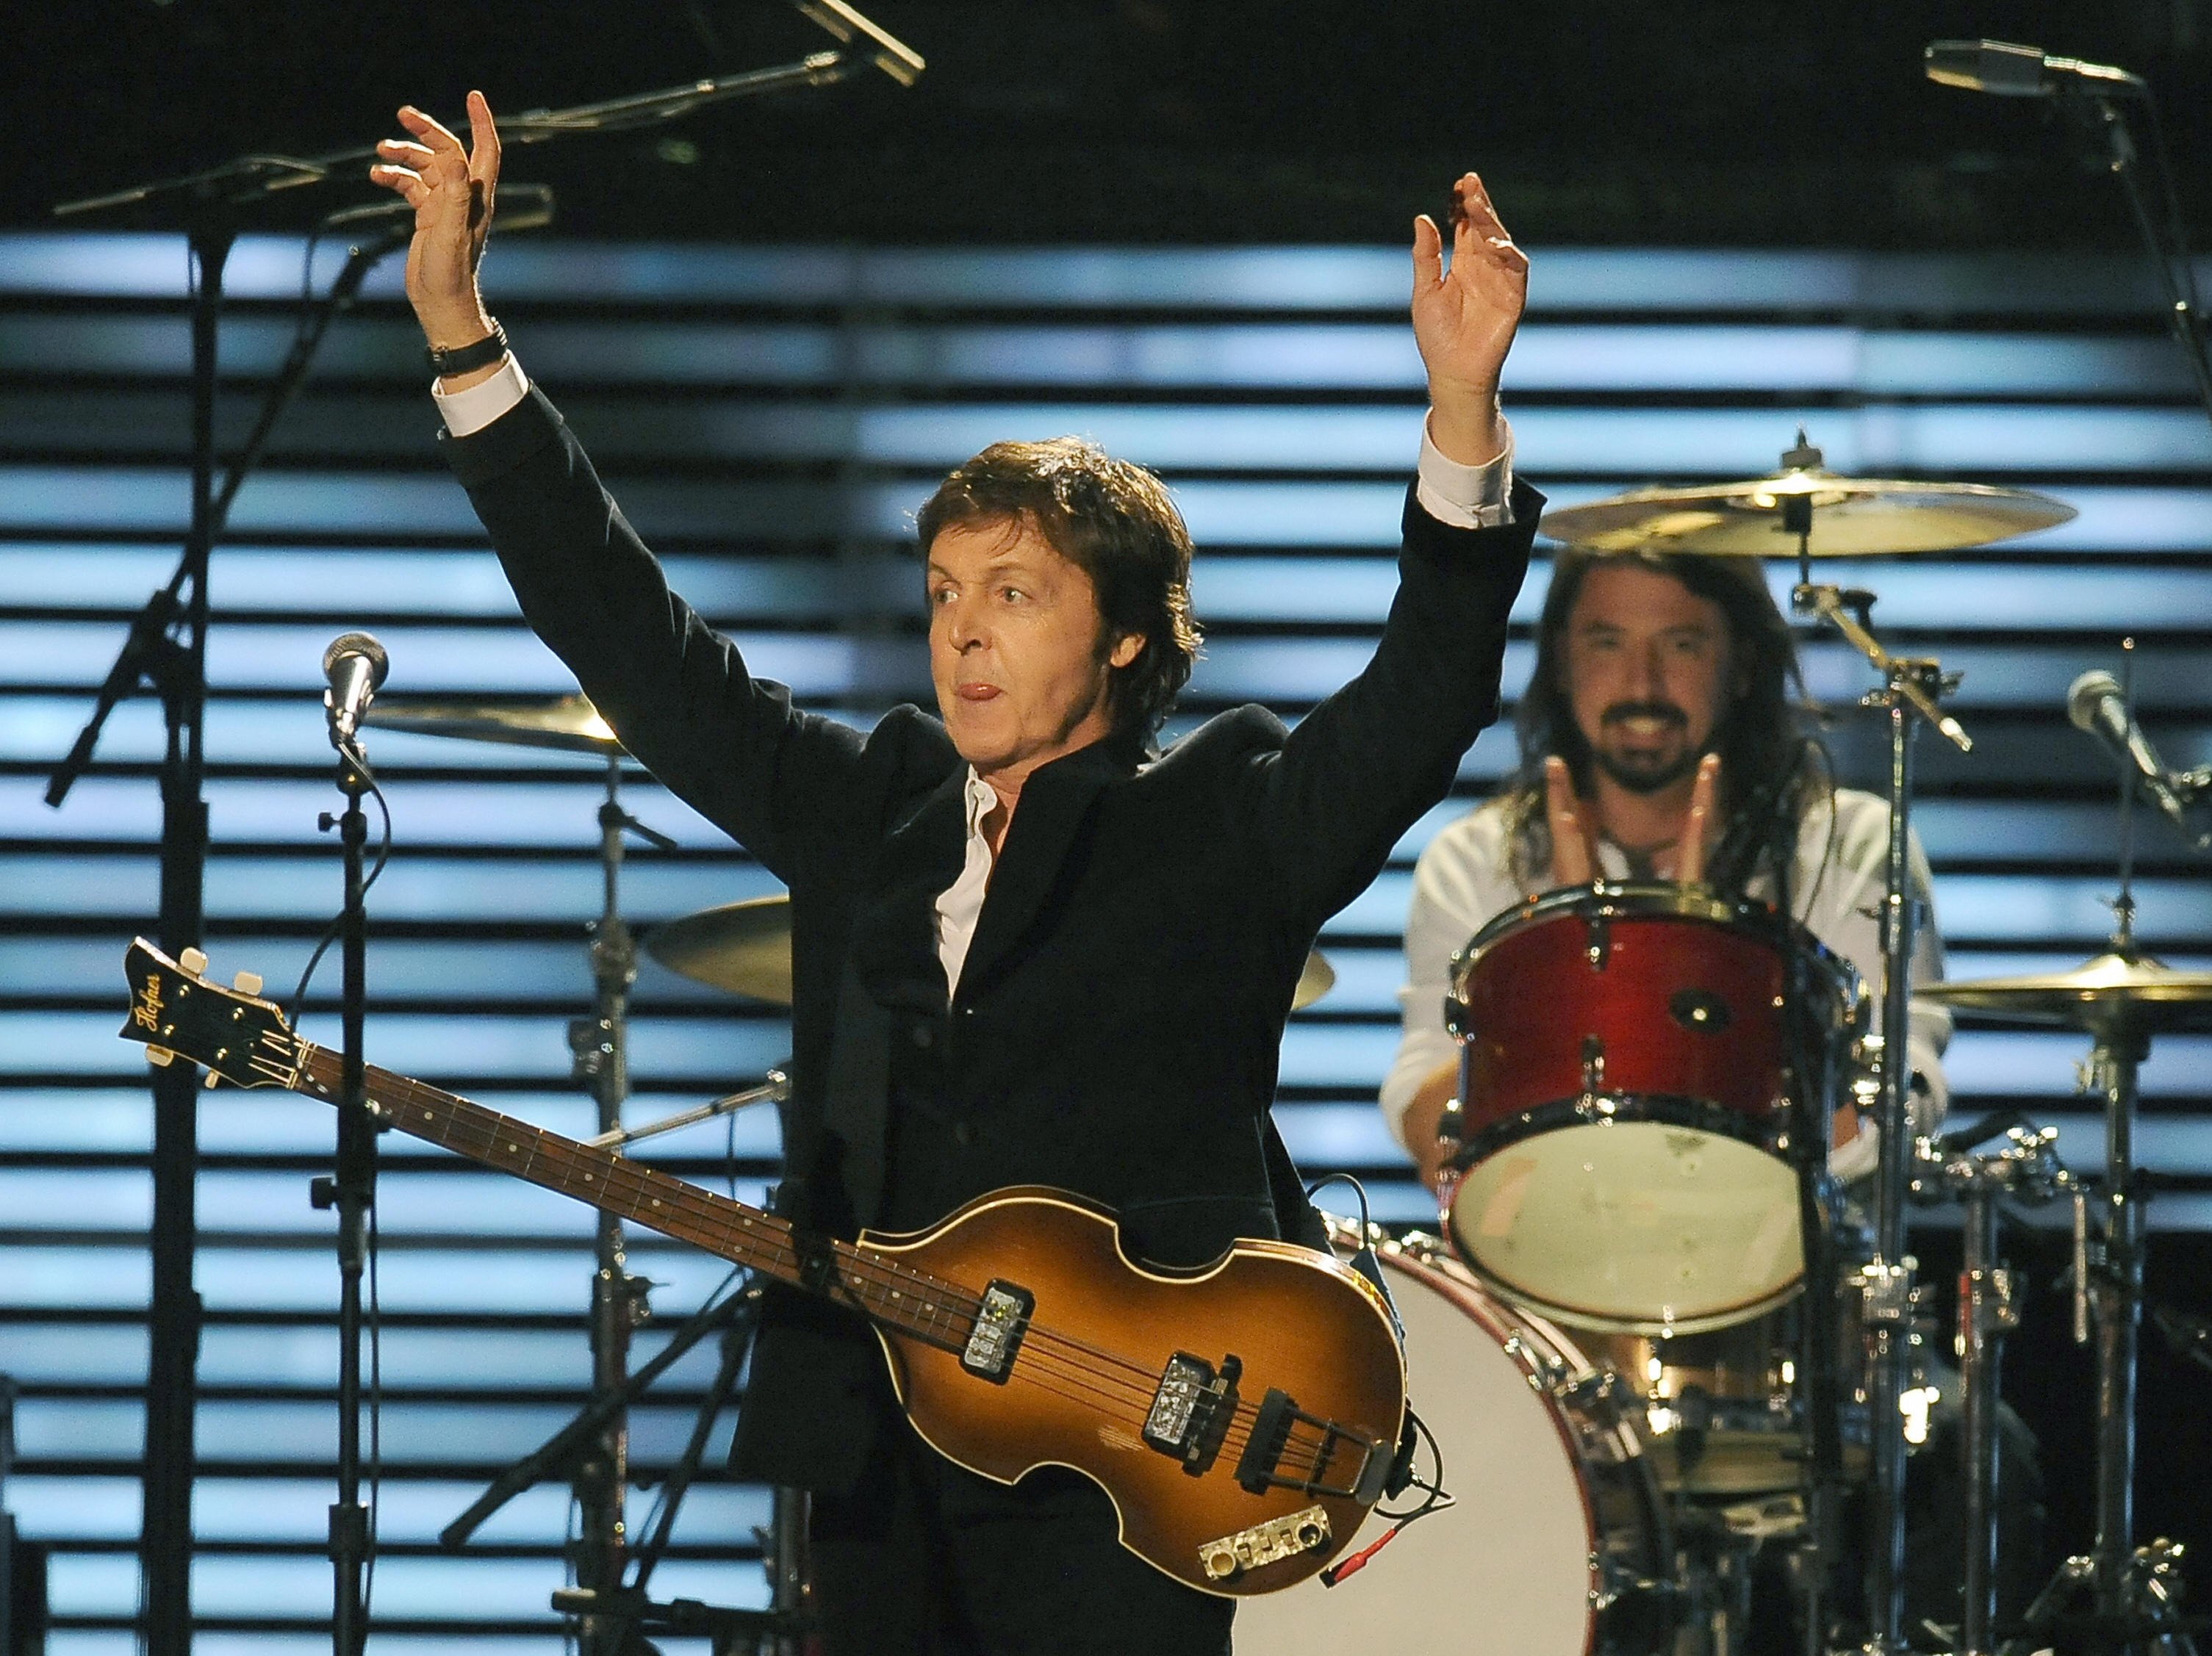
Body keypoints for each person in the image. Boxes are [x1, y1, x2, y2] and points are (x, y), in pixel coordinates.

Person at [370, 93, 1541, 1655]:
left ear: (1124, 633)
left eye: (1014, 590)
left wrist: (1459, 414)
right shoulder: (875, 806)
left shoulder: (1218, 815)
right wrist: (461, 334)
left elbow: (1422, 695)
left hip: (1137, 1454)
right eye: (941, 592)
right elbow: (638, 647)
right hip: (876, 1436)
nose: (963, 628)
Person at [1377, 541, 2046, 1639]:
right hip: (1553, 1331)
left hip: (1793, 1310)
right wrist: (1577, 974)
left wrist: (1687, 1021)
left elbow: (1899, 1085)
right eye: (1605, 640)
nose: (1641, 680)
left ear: (1739, 664)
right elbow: (1421, 1101)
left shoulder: (1849, 845)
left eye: (1681, 643)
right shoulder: (1477, 859)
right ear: (1556, 662)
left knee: (1986, 1450)